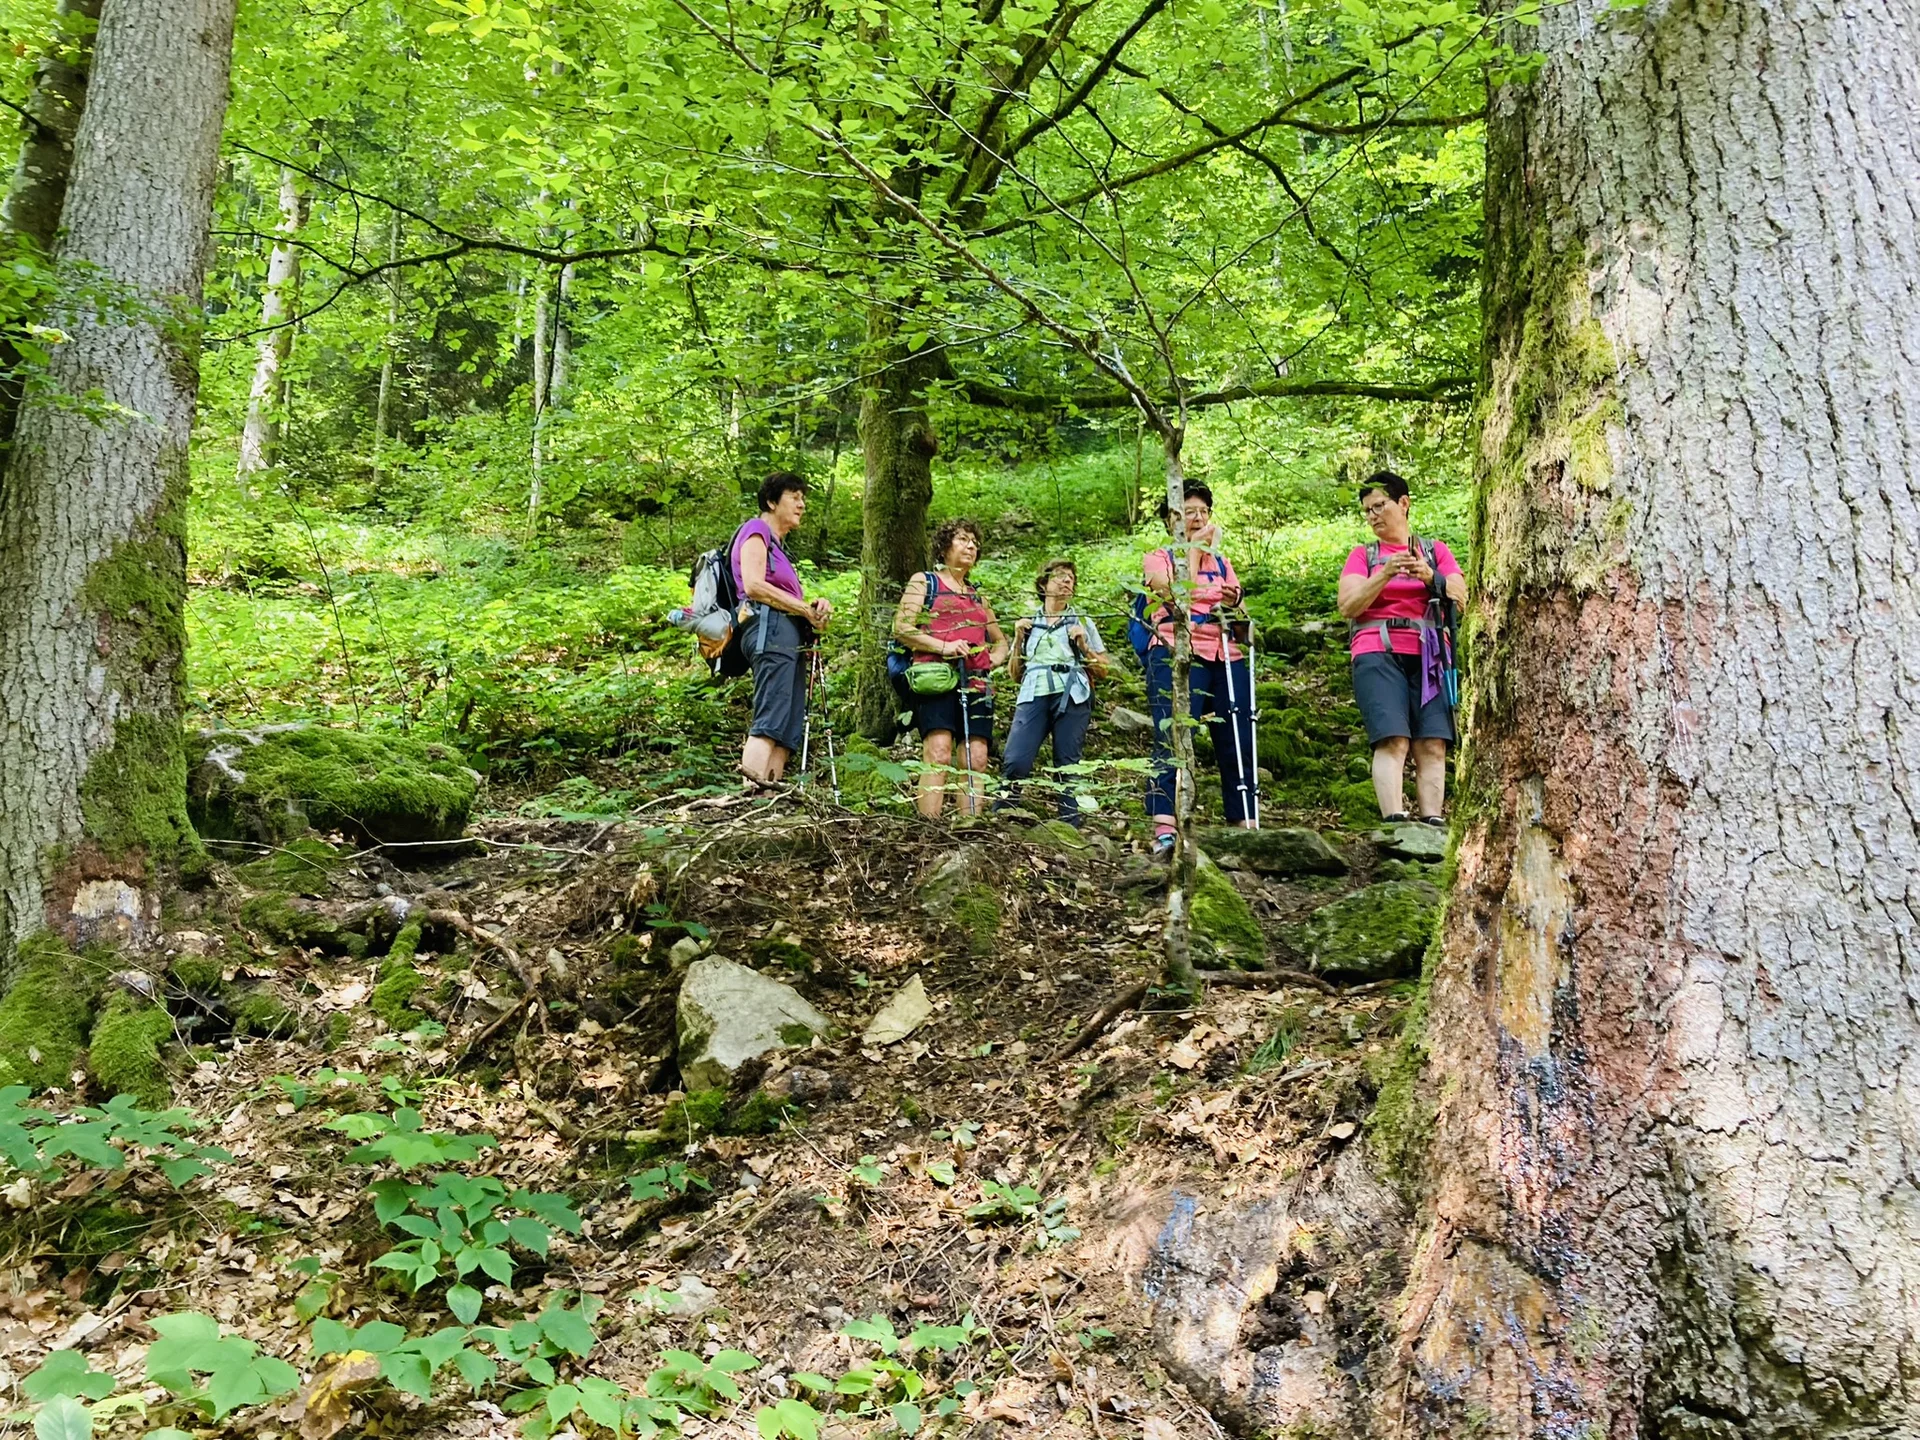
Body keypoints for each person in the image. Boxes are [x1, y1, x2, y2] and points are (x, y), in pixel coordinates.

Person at [1336, 469, 1466, 825]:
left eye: (1380, 505)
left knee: (1433, 743)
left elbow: (1459, 595)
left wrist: (1428, 576)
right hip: (1377, 650)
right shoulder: (1364, 556)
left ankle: (1433, 821)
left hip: (1431, 654)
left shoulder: (1435, 551)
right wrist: (1386, 573)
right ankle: (1394, 821)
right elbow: (1348, 605)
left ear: (1404, 504)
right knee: (1392, 739)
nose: (1373, 515)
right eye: (1367, 510)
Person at [1141, 483, 1257, 850]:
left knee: (1237, 731)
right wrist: (1192, 551)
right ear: (1171, 520)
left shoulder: (1223, 563)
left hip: (1226, 652)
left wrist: (1233, 600)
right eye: (1190, 512)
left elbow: (1238, 605)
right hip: (1177, 651)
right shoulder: (1156, 558)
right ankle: (1164, 822)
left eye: (1203, 512)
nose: (1199, 518)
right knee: (1172, 732)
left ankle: (1243, 815)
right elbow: (1174, 592)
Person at [892, 518, 1007, 819]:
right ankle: (930, 828)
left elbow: (1000, 641)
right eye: (963, 539)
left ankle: (969, 826)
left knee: (977, 756)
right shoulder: (925, 581)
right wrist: (943, 646)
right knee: (939, 751)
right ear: (944, 547)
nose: (971, 546)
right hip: (936, 676)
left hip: (977, 683)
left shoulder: (978, 595)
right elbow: (902, 627)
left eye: (974, 542)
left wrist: (991, 659)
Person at [733, 471, 833, 789]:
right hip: (769, 629)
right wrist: (803, 608)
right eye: (795, 497)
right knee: (770, 719)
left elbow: (780, 593)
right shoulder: (756, 529)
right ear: (772, 501)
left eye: (803, 498)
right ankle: (749, 803)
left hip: (786, 635)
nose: (802, 504)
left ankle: (769, 804)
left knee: (787, 726)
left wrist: (811, 606)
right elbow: (753, 584)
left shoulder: (779, 547)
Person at [1000, 558, 1109, 824]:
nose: (1067, 581)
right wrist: (1016, 640)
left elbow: (1104, 670)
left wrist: (1084, 646)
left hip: (1072, 694)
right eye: (1060, 576)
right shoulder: (1028, 624)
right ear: (1043, 583)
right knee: (1015, 759)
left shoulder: (1082, 621)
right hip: (1032, 693)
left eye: (1071, 577)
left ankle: (1069, 823)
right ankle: (1003, 813)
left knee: (1068, 764)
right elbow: (1015, 674)